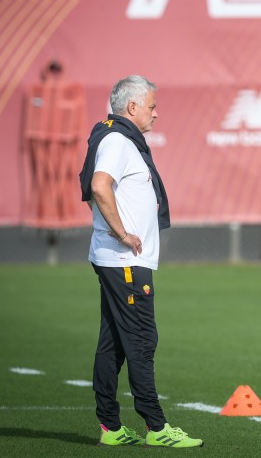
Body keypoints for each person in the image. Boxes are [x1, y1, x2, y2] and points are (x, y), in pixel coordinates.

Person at [78, 75, 202, 448]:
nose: (156, 113)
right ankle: (157, 427)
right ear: (132, 107)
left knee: (113, 343)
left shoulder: (115, 137)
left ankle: (111, 427)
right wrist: (121, 233)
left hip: (118, 260)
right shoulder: (117, 140)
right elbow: (99, 186)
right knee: (142, 341)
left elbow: (96, 188)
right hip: (124, 261)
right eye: (151, 106)